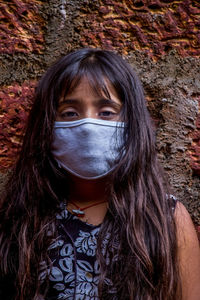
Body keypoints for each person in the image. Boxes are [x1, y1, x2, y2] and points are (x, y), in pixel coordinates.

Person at [0, 48, 200, 300]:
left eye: (106, 112)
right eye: (70, 113)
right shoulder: (23, 217)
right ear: (47, 125)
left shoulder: (165, 219)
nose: (87, 126)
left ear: (132, 123)